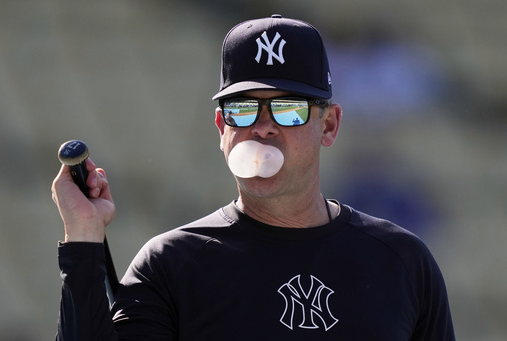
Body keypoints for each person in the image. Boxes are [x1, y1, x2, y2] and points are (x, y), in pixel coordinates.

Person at [52, 15, 455, 340]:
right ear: (220, 128)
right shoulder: (172, 263)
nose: (262, 127)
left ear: (329, 125)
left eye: (288, 108)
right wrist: (84, 239)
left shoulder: (401, 261)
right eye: (242, 109)